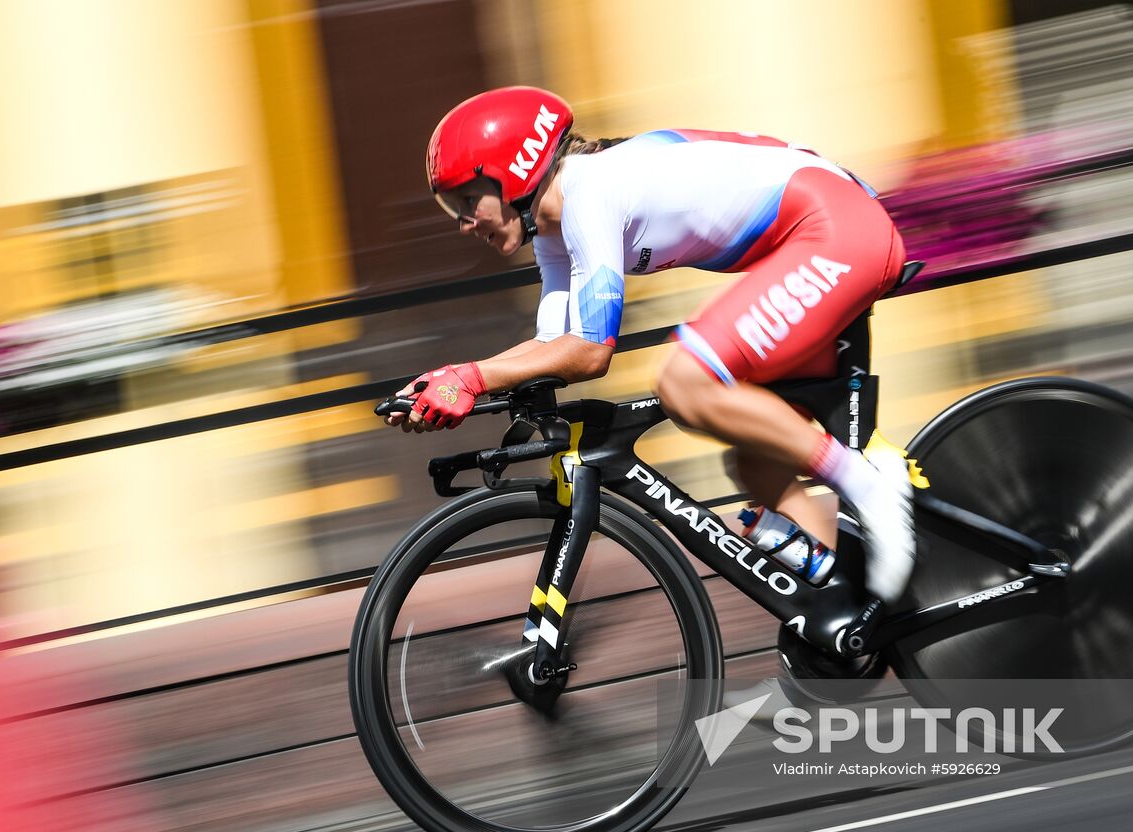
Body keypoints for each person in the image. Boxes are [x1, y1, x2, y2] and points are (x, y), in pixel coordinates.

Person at [386, 85, 915, 611]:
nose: (461, 223)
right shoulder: (554, 231)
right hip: (824, 233)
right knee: (756, 464)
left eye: (467, 201)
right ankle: (847, 603)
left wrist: (473, 378)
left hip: (839, 231)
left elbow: (591, 352)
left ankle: (869, 483)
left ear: (516, 170)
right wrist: (450, 380)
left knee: (685, 382)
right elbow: (552, 347)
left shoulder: (590, 193)